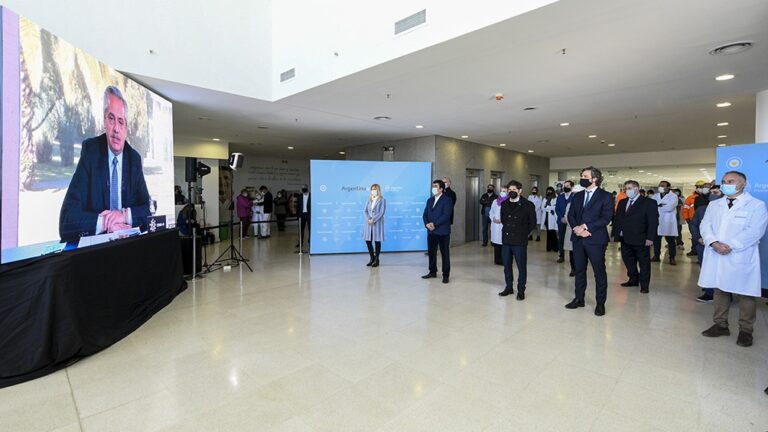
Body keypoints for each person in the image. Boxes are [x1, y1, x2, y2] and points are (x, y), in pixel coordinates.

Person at [59, 86, 151, 241]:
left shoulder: (133, 159)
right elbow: (67, 220)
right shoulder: (91, 152)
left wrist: (123, 216)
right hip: (97, 250)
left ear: (126, 127)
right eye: (111, 118)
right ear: (104, 121)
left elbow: (148, 210)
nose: (116, 128)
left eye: (121, 122)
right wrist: (105, 223)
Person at [699, 171, 768, 348]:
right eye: (723, 181)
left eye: (731, 181)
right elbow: (705, 225)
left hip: (740, 254)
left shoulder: (756, 205)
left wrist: (730, 245)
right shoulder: (715, 205)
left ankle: (746, 331)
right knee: (720, 289)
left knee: (746, 293)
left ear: (743, 184)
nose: (726, 184)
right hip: (717, 252)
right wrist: (713, 242)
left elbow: (755, 230)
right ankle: (720, 325)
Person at [565, 166, 614, 316]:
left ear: (595, 179)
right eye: (582, 176)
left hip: (596, 240)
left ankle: (600, 303)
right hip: (578, 239)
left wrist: (585, 227)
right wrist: (577, 228)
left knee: (599, 272)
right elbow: (571, 215)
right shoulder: (578, 196)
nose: (582, 178)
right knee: (579, 270)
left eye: (585, 176)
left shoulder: (606, 196)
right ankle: (579, 298)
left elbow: (606, 218)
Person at [613, 180, 659, 293]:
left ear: (636, 189)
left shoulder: (649, 202)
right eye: (625, 188)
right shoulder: (622, 202)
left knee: (643, 263)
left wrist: (650, 238)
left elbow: (653, 222)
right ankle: (633, 279)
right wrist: (616, 232)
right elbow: (618, 218)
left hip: (641, 238)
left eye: (629, 188)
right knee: (628, 261)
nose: (627, 190)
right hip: (625, 238)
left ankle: (644, 285)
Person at [498, 180, 537, 300]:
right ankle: (509, 287)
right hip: (506, 239)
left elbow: (532, 223)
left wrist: (523, 233)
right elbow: (504, 220)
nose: (512, 192)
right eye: (510, 190)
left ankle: (521, 290)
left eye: (514, 190)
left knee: (521, 266)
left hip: (519, 240)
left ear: (520, 191)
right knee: (507, 266)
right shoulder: (504, 204)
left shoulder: (528, 205)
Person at [422, 179, 453, 284]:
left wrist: (434, 224)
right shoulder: (429, 200)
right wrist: (427, 224)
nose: (433, 188)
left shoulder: (447, 200)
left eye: (435, 186)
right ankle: (432, 271)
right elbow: (425, 214)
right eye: (433, 186)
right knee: (431, 252)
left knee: (445, 254)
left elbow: (446, 215)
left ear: (441, 189)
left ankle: (445, 275)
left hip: (442, 231)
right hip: (431, 231)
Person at [652, 181, 679, 265]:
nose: (661, 187)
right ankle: (656, 256)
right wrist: (661, 206)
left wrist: (658, 207)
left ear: (668, 187)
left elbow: (670, 208)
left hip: (668, 221)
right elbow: (651, 206)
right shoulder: (655, 196)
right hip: (657, 220)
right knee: (656, 240)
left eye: (663, 186)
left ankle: (672, 257)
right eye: (659, 185)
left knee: (670, 240)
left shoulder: (673, 196)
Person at [562, 184, 585, 277]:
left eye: (577, 193)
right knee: (572, 251)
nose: (575, 195)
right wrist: (575, 227)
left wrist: (581, 228)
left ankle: (580, 269)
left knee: (582, 252)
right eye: (574, 194)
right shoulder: (569, 204)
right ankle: (573, 269)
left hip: (584, 231)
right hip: (571, 229)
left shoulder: (587, 204)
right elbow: (567, 216)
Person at [363, 184, 387, 267]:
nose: (373, 191)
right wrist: (368, 219)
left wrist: (374, 219)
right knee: (368, 241)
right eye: (372, 189)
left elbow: (381, 212)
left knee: (377, 241)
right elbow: (365, 211)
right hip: (369, 223)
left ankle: (377, 259)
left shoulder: (382, 200)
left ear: (378, 190)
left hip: (377, 223)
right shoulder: (369, 199)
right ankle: (372, 258)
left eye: (375, 189)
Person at [684, 180, 706, 256]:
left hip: (703, 220)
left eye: (701, 187)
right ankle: (694, 250)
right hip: (692, 220)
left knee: (703, 236)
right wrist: (687, 218)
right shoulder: (690, 198)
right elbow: (685, 209)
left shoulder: (707, 197)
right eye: (698, 187)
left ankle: (701, 252)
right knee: (694, 236)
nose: (699, 188)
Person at [555, 180, 574, 263]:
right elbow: (557, 209)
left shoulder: (574, 196)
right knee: (561, 239)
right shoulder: (560, 197)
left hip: (571, 222)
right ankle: (561, 255)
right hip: (561, 221)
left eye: (568, 186)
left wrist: (568, 219)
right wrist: (562, 217)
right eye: (565, 186)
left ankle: (572, 256)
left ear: (571, 187)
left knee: (571, 239)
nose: (566, 187)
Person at [489, 185, 508, 266]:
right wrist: (493, 218)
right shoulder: (495, 201)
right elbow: (491, 211)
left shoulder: (509, 201)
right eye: (501, 191)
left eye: (504, 191)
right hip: (495, 225)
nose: (502, 192)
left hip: (503, 225)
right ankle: (497, 260)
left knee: (504, 244)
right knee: (496, 244)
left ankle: (505, 260)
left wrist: (502, 220)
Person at [541, 187, 559, 252]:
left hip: (553, 218)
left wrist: (547, 207)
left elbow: (555, 207)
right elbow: (542, 208)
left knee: (553, 233)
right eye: (548, 191)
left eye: (550, 191)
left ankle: (555, 247)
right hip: (546, 218)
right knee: (548, 233)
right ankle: (548, 247)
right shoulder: (545, 199)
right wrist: (549, 208)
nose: (549, 192)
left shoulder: (556, 198)